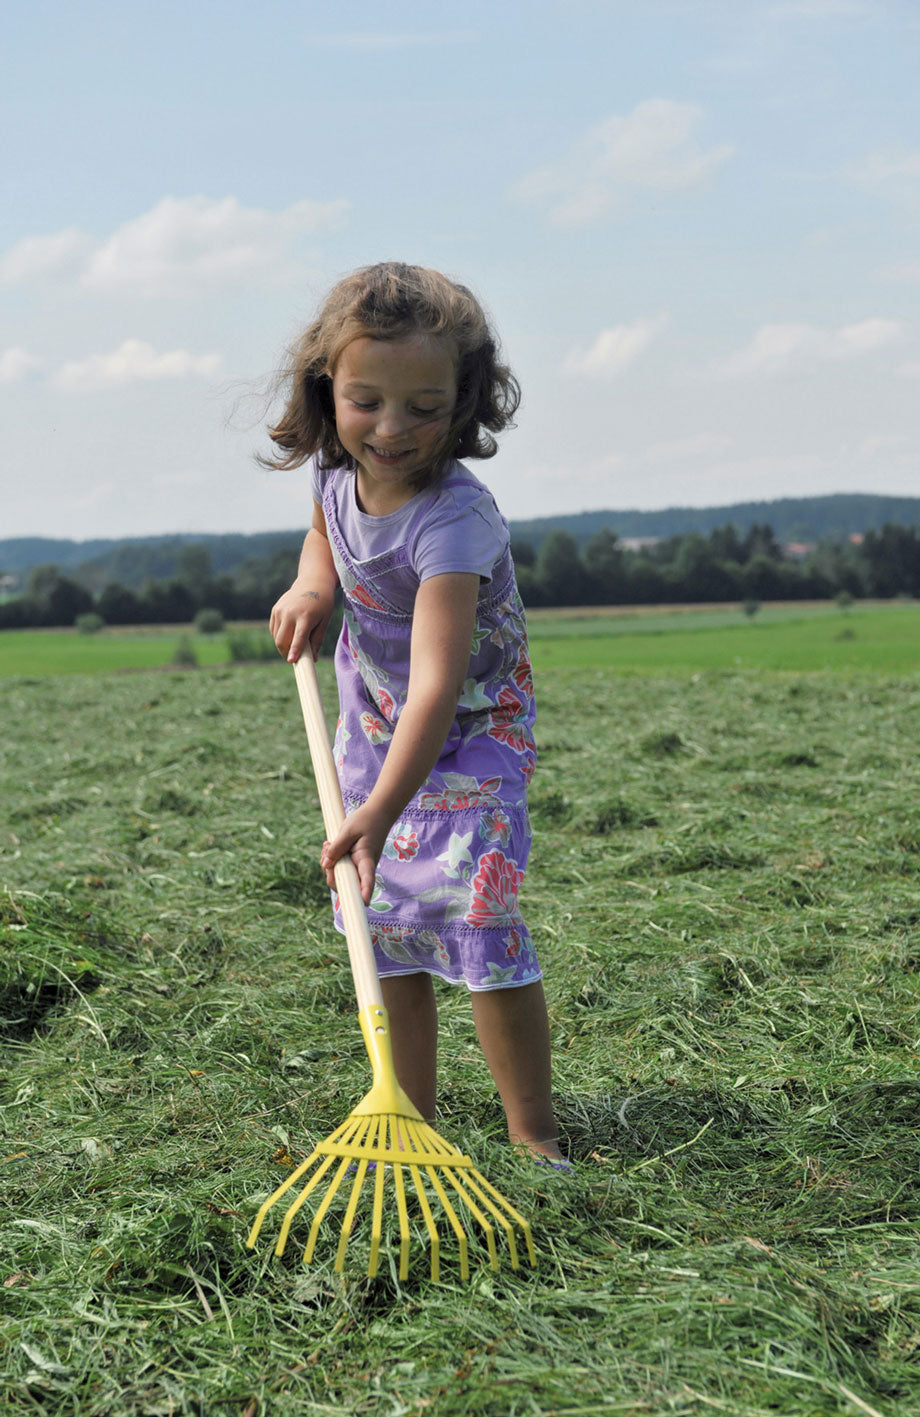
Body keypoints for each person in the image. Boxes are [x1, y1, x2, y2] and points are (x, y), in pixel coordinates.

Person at [267, 261, 567, 1165]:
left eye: (423, 407)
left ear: (464, 400)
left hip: (469, 738)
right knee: (385, 930)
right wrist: (312, 587)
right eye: (366, 401)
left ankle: (535, 1138)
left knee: (476, 927)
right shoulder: (334, 470)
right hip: (373, 728)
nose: (390, 430)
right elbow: (325, 526)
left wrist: (378, 812)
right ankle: (412, 1124)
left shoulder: (454, 521)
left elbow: (437, 685)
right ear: (329, 388)